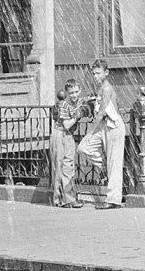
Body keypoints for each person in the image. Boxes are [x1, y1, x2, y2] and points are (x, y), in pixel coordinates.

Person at [77, 59, 125, 209]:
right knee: (83, 148)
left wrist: (89, 133)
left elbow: (102, 112)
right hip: (103, 126)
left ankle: (113, 200)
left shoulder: (106, 89)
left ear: (106, 73)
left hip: (113, 126)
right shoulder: (100, 89)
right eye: (93, 73)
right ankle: (102, 166)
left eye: (98, 73)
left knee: (115, 163)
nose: (95, 76)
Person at [51, 79, 87, 208]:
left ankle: (66, 199)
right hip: (61, 134)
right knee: (62, 166)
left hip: (67, 136)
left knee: (67, 166)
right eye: (71, 92)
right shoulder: (64, 105)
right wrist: (77, 116)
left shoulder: (75, 102)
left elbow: (82, 105)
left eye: (76, 92)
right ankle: (63, 199)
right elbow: (66, 125)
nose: (74, 95)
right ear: (66, 93)